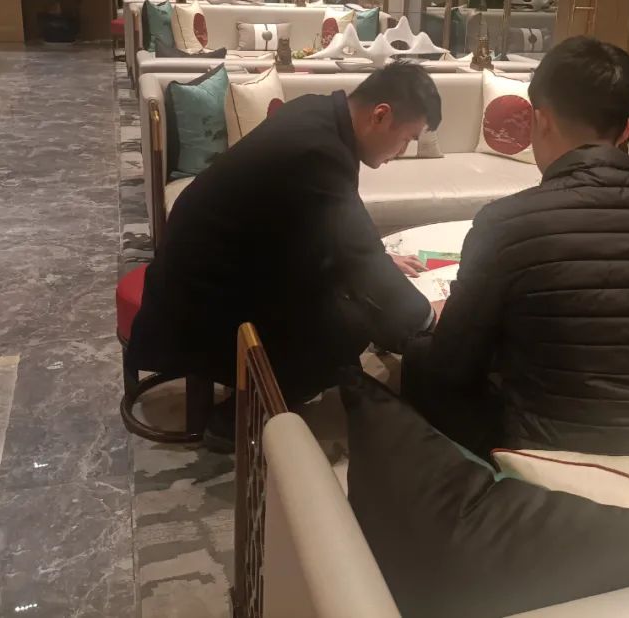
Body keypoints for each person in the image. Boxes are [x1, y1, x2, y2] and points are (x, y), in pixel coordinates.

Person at [402, 36, 629, 462]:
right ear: (626, 131)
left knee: (422, 360)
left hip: (557, 462)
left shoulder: (505, 223)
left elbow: (453, 366)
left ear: (541, 121)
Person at [128, 62, 441, 451]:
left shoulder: (317, 112)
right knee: (349, 328)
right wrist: (429, 317)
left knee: (353, 292)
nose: (403, 151)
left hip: (217, 265)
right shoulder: (319, 149)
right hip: (202, 297)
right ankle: (239, 417)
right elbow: (358, 252)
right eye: (407, 139)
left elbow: (337, 226)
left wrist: (373, 262)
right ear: (380, 115)